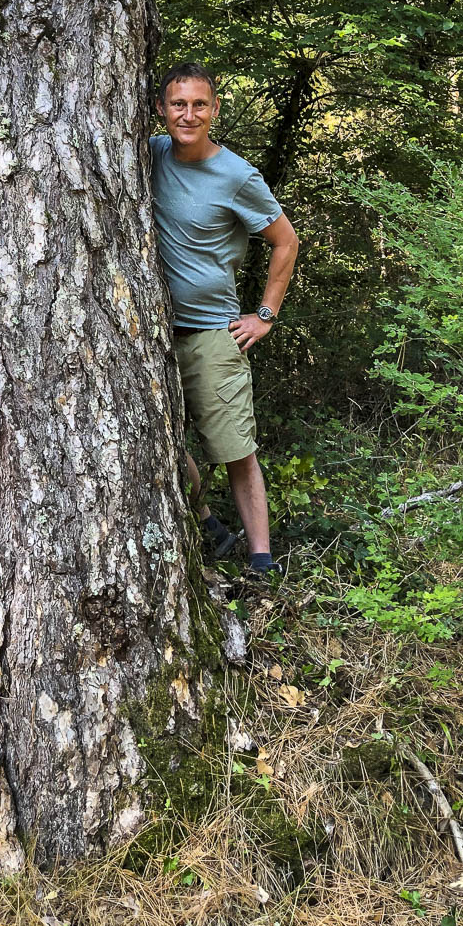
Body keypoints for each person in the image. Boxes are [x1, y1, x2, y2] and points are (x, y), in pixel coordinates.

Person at [150, 61, 299, 578]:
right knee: (155, 436)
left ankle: (261, 562)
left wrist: (265, 315)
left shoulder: (236, 175)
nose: (188, 115)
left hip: (213, 335)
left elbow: (286, 241)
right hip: (148, 334)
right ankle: (210, 527)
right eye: (178, 104)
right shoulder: (148, 154)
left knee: (235, 449)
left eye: (199, 105)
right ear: (161, 108)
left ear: (214, 109)